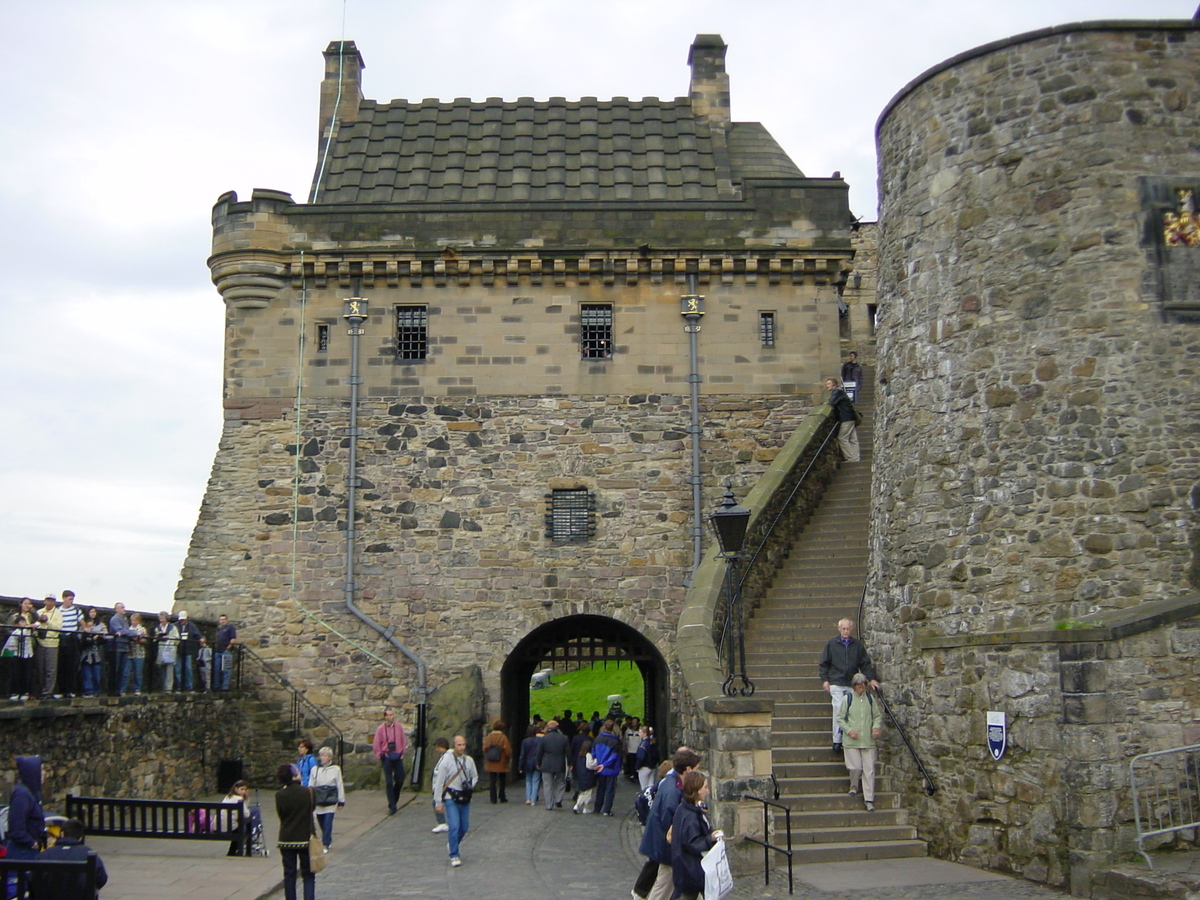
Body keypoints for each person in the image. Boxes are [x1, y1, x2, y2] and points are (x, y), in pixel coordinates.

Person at [633, 747, 702, 900]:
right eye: (697, 769)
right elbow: (669, 819)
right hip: (668, 847)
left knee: (670, 883)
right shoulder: (673, 788)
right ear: (688, 769)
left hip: (665, 845)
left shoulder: (671, 782)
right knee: (664, 885)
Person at [819, 617, 880, 753]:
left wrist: (871, 679)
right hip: (837, 682)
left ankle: (849, 737)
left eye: (848, 629)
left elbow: (864, 663)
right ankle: (837, 740)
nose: (846, 631)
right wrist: (825, 680)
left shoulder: (857, 645)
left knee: (851, 711)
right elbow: (824, 663)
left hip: (851, 683)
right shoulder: (831, 644)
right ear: (839, 629)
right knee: (839, 709)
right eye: (843, 629)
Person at [669, 771, 723, 900]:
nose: (707, 791)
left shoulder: (685, 808)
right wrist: (711, 838)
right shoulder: (691, 816)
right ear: (697, 791)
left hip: (685, 868)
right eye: (705, 787)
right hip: (690, 869)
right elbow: (693, 843)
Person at [30, 817, 108, 900]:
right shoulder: (88, 853)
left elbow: (31, 880)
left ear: (62, 834)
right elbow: (101, 879)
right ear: (80, 838)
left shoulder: (45, 855)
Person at [838, 673, 884, 811]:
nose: (860, 689)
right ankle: (854, 785)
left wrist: (875, 727)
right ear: (854, 687)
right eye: (858, 687)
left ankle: (869, 799)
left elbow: (876, 716)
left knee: (869, 770)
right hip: (852, 741)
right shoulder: (848, 699)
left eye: (862, 687)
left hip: (868, 741)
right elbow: (840, 719)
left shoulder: (870, 699)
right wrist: (849, 730)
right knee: (856, 767)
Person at [432, 734, 478, 868]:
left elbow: (474, 776)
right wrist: (438, 802)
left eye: (464, 744)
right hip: (450, 796)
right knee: (454, 826)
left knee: (464, 827)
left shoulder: (469, 761)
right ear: (454, 745)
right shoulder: (446, 761)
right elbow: (440, 781)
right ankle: (454, 854)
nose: (462, 747)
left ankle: (453, 843)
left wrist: (470, 785)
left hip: (465, 796)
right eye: (459, 745)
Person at [275, 763, 316, 900]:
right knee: (308, 874)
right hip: (305, 837)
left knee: (289, 874)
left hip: (286, 838)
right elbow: (312, 808)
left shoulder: (279, 795)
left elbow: (281, 815)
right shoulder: (308, 792)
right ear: (294, 776)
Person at [4, 755, 46, 862]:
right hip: (21, 852)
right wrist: (32, 843)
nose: (44, 772)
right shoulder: (21, 794)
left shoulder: (32, 791)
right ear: (32, 771)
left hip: (28, 850)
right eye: (41, 769)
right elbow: (16, 828)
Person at [372, 708, 408, 814]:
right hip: (386, 756)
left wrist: (402, 752)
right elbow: (376, 743)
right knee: (388, 782)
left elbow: (403, 739)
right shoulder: (380, 729)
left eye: (393, 714)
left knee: (400, 779)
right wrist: (380, 755)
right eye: (389, 715)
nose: (392, 717)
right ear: (385, 717)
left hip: (397, 756)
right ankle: (392, 806)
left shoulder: (399, 727)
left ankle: (394, 799)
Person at [311, 746, 345, 852]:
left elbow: (339, 784)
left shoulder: (336, 769)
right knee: (321, 821)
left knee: (328, 822)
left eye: (325, 755)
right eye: (322, 755)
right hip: (319, 799)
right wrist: (310, 799)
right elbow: (311, 785)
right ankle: (328, 839)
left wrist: (341, 800)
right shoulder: (315, 770)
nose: (323, 757)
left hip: (330, 799)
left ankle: (325, 843)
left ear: (330, 757)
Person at [4, 599, 37, 701]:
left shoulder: (32, 615)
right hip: (16, 649)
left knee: (27, 672)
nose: (28, 606)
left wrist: (32, 612)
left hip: (28, 650)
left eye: (29, 604)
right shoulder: (14, 616)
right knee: (15, 672)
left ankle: (25, 692)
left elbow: (38, 621)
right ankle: (15, 691)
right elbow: (7, 629)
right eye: (25, 603)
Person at [536, 719, 570, 810]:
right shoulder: (564, 738)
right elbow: (568, 752)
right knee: (561, 782)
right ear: (557, 728)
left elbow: (539, 752)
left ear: (548, 728)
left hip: (546, 764)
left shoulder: (544, 739)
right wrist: (570, 763)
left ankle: (549, 804)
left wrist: (538, 763)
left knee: (548, 785)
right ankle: (558, 799)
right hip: (560, 763)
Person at [825, 376, 860, 462]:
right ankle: (856, 458)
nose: (827, 386)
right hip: (850, 417)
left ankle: (850, 458)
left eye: (828, 384)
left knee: (842, 438)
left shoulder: (837, 391)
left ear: (834, 385)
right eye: (826, 384)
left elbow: (832, 403)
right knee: (853, 439)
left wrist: (827, 403)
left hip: (846, 418)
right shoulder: (840, 391)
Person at [591, 717, 622, 816]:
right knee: (610, 790)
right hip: (610, 768)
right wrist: (605, 764)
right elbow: (614, 756)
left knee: (600, 788)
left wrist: (598, 763)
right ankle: (606, 810)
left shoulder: (597, 739)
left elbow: (593, 753)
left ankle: (597, 808)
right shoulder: (614, 741)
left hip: (599, 767)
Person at [34, 594, 62, 699]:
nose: (49, 603)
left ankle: (47, 692)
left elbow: (59, 627)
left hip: (52, 644)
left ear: (54, 602)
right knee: (40, 669)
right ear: (44, 601)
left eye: (52, 601)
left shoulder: (58, 613)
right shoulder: (39, 612)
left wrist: (47, 621)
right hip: (40, 642)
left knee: (51, 669)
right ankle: (41, 691)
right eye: (48, 600)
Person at [57, 589, 83, 697]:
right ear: (64, 598)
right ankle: (62, 690)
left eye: (72, 599)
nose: (71, 601)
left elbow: (82, 623)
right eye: (70, 599)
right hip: (62, 639)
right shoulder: (58, 611)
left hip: (73, 639)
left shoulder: (76, 610)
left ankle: (70, 689)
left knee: (72, 666)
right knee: (61, 665)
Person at [481, 719, 511, 803]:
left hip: (491, 760)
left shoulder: (489, 737)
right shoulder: (503, 737)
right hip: (501, 760)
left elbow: (485, 748)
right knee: (502, 780)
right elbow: (507, 750)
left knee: (492, 780)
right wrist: (507, 758)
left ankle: (493, 798)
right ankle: (502, 796)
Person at [571, 737, 601, 814]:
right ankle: (581, 806)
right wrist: (596, 761)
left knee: (583, 792)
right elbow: (590, 765)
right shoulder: (588, 755)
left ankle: (578, 806)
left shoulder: (580, 755)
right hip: (588, 776)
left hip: (581, 775)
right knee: (588, 793)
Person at [108, 602, 132, 695]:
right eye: (121, 607)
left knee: (122, 670)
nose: (124, 609)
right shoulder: (115, 619)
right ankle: (112, 690)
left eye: (124, 607)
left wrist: (130, 633)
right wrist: (134, 633)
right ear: (117, 609)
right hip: (116, 647)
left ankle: (118, 690)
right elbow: (122, 631)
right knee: (115, 669)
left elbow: (126, 631)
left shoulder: (125, 619)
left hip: (124, 646)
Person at [174, 611, 202, 691]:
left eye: (183, 619)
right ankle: (178, 687)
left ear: (187, 619)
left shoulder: (192, 626)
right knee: (177, 669)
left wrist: (201, 638)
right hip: (178, 650)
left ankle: (189, 687)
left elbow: (197, 635)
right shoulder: (175, 626)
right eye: (181, 620)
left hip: (188, 650)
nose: (182, 621)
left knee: (188, 669)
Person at [223, 779, 252, 856]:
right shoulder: (239, 799)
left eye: (245, 790)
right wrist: (247, 798)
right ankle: (232, 852)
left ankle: (231, 851)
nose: (244, 791)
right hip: (230, 826)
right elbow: (246, 814)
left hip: (220, 825)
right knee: (241, 829)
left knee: (237, 827)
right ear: (236, 789)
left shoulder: (228, 796)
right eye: (242, 789)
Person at [79, 617, 106, 696]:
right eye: (89, 626)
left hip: (95, 658)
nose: (91, 628)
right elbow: (85, 643)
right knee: (87, 676)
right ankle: (88, 691)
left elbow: (103, 641)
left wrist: (102, 633)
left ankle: (96, 691)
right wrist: (94, 638)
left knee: (96, 676)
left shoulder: (96, 635)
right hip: (86, 658)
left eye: (92, 626)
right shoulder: (83, 635)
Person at [518, 723, 543, 806]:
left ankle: (528, 798)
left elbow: (522, 755)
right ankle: (533, 800)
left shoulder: (525, 741)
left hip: (527, 763)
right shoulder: (539, 740)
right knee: (535, 781)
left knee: (528, 781)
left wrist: (520, 766)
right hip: (537, 762)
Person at [429, 737, 451, 832]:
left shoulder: (447, 757)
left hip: (444, 785)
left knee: (437, 802)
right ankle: (443, 822)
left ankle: (442, 822)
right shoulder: (445, 756)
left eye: (438, 747)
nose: (437, 749)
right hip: (441, 784)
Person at [154, 611, 178, 692]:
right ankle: (163, 687)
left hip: (170, 650)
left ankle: (168, 689)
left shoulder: (172, 627)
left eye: (163, 618)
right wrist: (158, 636)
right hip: (161, 650)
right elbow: (155, 639)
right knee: (162, 669)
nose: (161, 620)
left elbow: (177, 639)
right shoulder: (158, 628)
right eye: (160, 618)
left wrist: (169, 637)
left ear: (167, 619)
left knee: (169, 670)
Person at [214, 614, 237, 690]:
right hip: (218, 651)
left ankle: (224, 687)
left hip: (226, 651)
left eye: (224, 619)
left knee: (226, 670)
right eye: (221, 619)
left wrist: (228, 648)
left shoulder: (230, 628)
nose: (222, 621)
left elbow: (233, 638)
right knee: (216, 669)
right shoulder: (219, 629)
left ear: (227, 620)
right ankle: (216, 687)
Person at [127, 612, 148, 694]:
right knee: (127, 672)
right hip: (130, 652)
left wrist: (137, 640)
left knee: (138, 672)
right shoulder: (129, 629)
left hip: (139, 653)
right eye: (132, 620)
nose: (133, 622)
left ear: (138, 621)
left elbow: (145, 640)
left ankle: (137, 689)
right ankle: (124, 689)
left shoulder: (142, 630)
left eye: (134, 620)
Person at [635, 725, 658, 792]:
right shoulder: (652, 743)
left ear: (645, 734)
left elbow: (640, 757)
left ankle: (645, 801)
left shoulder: (643, 745)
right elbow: (656, 754)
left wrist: (637, 767)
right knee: (651, 786)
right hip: (652, 767)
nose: (639, 734)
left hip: (644, 767)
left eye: (640, 732)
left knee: (644, 788)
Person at [623, 715, 642, 780]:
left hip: (638, 749)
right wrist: (625, 748)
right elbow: (625, 740)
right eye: (633, 721)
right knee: (631, 763)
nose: (633, 723)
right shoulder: (628, 730)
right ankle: (632, 774)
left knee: (638, 763)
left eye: (635, 721)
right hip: (630, 749)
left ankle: (637, 775)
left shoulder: (640, 730)